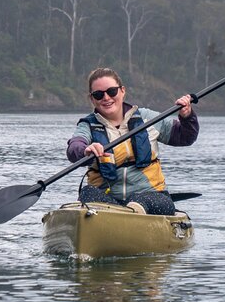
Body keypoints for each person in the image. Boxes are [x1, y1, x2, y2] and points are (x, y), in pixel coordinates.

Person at [66, 67, 199, 215]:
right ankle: (121, 215)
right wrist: (85, 151)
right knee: (88, 192)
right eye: (98, 94)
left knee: (156, 201)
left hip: (149, 197)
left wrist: (187, 116)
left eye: (111, 91)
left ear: (122, 91)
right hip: (109, 202)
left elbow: (186, 137)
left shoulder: (148, 118)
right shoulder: (87, 126)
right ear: (92, 98)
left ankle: (134, 212)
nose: (106, 98)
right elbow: (74, 148)